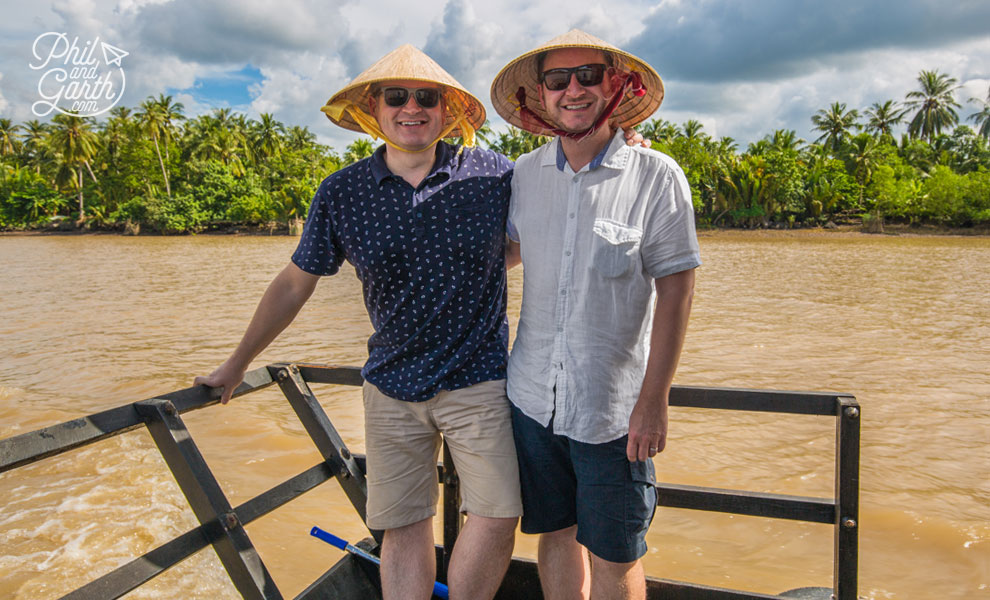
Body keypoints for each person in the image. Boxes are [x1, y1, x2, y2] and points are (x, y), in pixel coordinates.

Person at [195, 44, 522, 600]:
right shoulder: (343, 192)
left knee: (498, 514)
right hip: (390, 386)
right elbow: (296, 282)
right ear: (374, 108)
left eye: (427, 97)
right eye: (397, 97)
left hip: (480, 380)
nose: (412, 107)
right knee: (403, 523)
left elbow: (548, 223)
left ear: (449, 110)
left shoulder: (495, 175)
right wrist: (237, 362)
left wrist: (626, 148)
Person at [490, 30, 701, 599]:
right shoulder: (521, 177)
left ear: (616, 85)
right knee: (554, 535)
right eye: (557, 80)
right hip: (531, 399)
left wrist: (654, 402)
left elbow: (678, 293)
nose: (573, 90)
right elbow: (501, 256)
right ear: (540, 95)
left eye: (588, 76)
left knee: (616, 554)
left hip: (615, 413)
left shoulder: (657, 176)